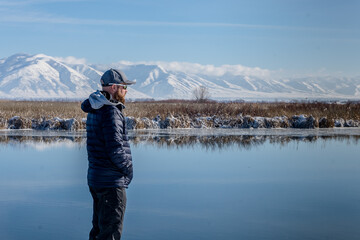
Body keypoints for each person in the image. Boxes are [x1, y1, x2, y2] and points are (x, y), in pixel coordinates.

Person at [81, 68, 135, 240]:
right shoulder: (111, 112)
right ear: (113, 88)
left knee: (98, 230)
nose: (126, 91)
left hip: (97, 179)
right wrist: (128, 170)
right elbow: (115, 148)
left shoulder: (95, 108)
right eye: (124, 87)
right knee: (110, 233)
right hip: (111, 182)